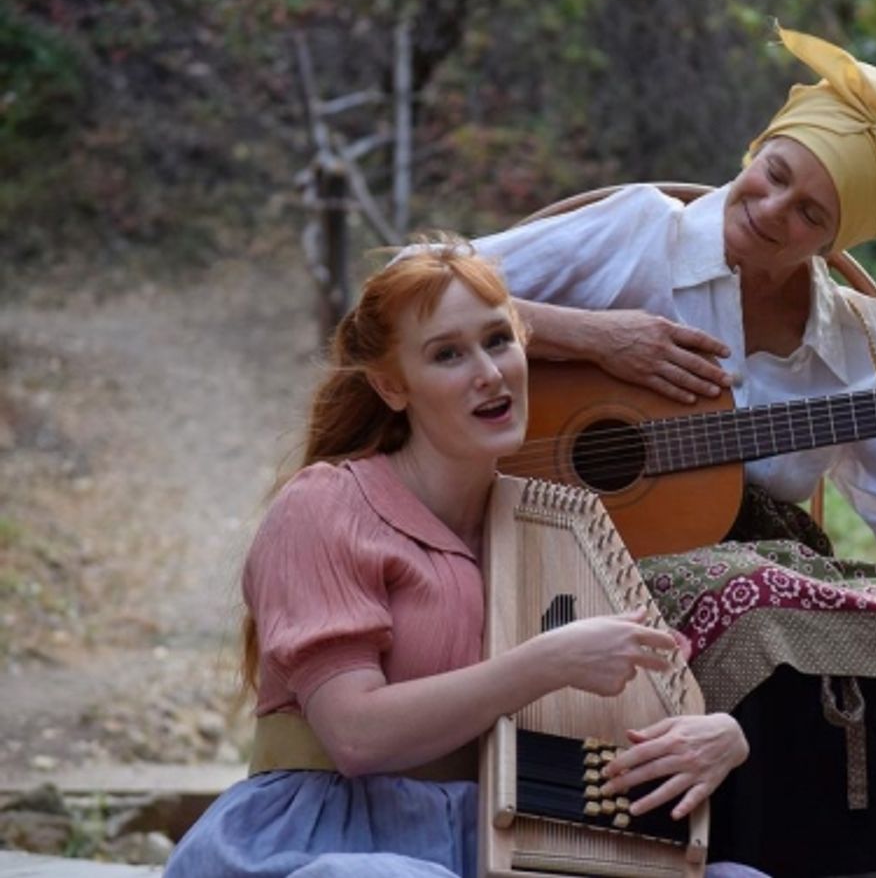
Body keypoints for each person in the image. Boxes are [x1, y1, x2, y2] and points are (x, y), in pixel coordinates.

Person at [466, 26, 876, 877]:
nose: (774, 209)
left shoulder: (862, 341)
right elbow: (423, 285)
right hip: (559, 557)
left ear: (835, 239)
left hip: (764, 581)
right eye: (775, 174)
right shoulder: (643, 233)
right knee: (760, 605)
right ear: (757, 150)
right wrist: (597, 338)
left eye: (811, 213)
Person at [164, 238, 759, 878]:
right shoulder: (325, 506)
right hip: (328, 834)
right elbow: (356, 736)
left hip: (503, 836)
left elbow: (633, 715)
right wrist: (548, 661)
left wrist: (716, 738)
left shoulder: (558, 526)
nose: (489, 372)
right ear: (393, 387)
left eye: (499, 341)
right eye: (448, 354)